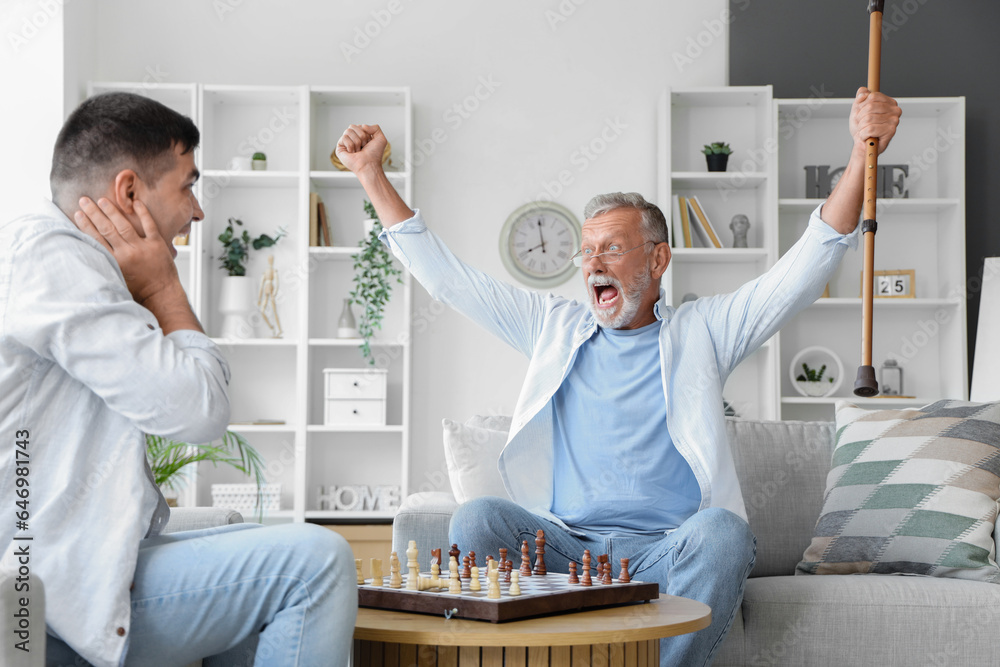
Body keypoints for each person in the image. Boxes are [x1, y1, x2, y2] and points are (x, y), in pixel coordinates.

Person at [336, 87, 900, 666]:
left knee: (725, 534)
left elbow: (802, 269)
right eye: (586, 252)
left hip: (665, 553)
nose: (594, 264)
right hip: (563, 548)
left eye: (611, 248)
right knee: (477, 517)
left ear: (657, 260)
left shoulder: (704, 331)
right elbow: (449, 280)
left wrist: (860, 153)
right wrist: (370, 173)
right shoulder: (551, 326)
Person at [0, 92, 356, 667]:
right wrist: (164, 289)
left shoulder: (59, 258)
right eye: (188, 185)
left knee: (261, 560)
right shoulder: (53, 260)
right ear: (130, 192)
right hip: (44, 589)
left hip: (67, 563)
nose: (197, 211)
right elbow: (200, 413)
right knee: (315, 563)